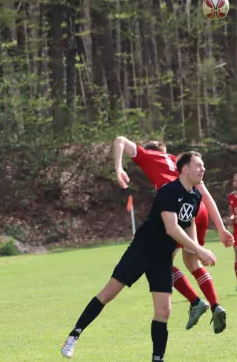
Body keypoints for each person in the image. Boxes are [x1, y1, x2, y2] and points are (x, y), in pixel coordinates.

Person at [61, 152, 218, 361]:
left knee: (164, 311)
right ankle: (74, 336)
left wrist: (197, 250)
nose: (203, 170)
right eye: (198, 166)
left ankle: (157, 359)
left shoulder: (195, 196)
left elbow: (188, 223)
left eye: (204, 166)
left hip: (163, 258)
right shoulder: (168, 192)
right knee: (108, 294)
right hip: (142, 250)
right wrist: (199, 250)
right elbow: (172, 228)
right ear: (184, 169)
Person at [112, 136, 232, 333]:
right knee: (193, 262)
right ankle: (215, 304)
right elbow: (208, 198)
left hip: (179, 211)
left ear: (151, 150)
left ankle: (195, 301)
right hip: (197, 208)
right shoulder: (180, 162)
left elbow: (120, 140)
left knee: (161, 262)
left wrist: (118, 168)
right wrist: (221, 229)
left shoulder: (149, 156)